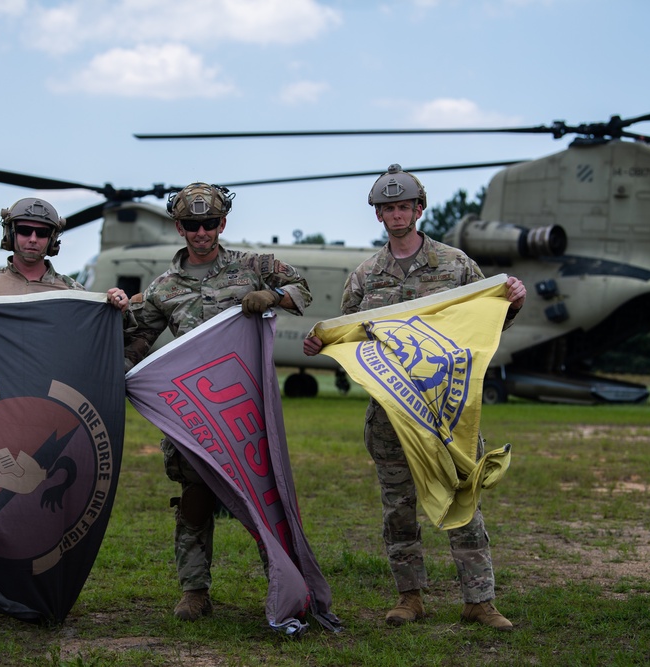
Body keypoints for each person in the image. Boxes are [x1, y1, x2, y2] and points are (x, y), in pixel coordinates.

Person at [303, 165, 526, 631]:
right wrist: (320, 340)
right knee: (398, 507)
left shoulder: (457, 265)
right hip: (390, 415)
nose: (396, 214)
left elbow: (486, 322)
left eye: (403, 205)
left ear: (418, 210)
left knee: (464, 497)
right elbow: (351, 337)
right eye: (387, 208)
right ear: (379, 215)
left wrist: (514, 303)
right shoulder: (365, 276)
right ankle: (410, 598)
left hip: (446, 410)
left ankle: (479, 601)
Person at [0, 197, 131, 627]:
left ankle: (33, 592)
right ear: (11, 233)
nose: (32, 239)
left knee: (31, 511)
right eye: (24, 230)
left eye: (41, 232)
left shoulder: (70, 292)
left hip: (41, 421)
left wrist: (110, 305)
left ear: (53, 239)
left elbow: (89, 343)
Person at [123, 182, 313, 621]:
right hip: (193, 416)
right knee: (195, 499)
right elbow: (140, 340)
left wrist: (273, 295)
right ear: (179, 227)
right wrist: (118, 367)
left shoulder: (253, 266)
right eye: (192, 224)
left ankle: (286, 581)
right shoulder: (163, 288)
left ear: (222, 223)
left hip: (246, 412)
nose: (201, 232)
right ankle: (194, 590)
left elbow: (301, 288)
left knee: (266, 498)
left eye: (209, 223)